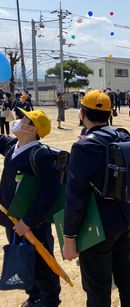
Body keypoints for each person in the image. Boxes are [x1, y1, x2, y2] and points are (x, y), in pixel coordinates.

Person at [62, 90, 130, 307]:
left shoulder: (83, 147)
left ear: (82, 113)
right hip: (122, 219)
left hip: (97, 228)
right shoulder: (122, 135)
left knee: (97, 287)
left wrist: (69, 238)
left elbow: (75, 196)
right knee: (125, 275)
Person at [0, 109, 61, 307]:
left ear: (32, 128)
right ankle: (34, 295)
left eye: (23, 119)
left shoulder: (40, 155)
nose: (18, 121)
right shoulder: (14, 146)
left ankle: (50, 300)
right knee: (23, 259)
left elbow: (49, 194)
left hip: (32, 223)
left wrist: (28, 222)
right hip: (12, 219)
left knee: (42, 263)